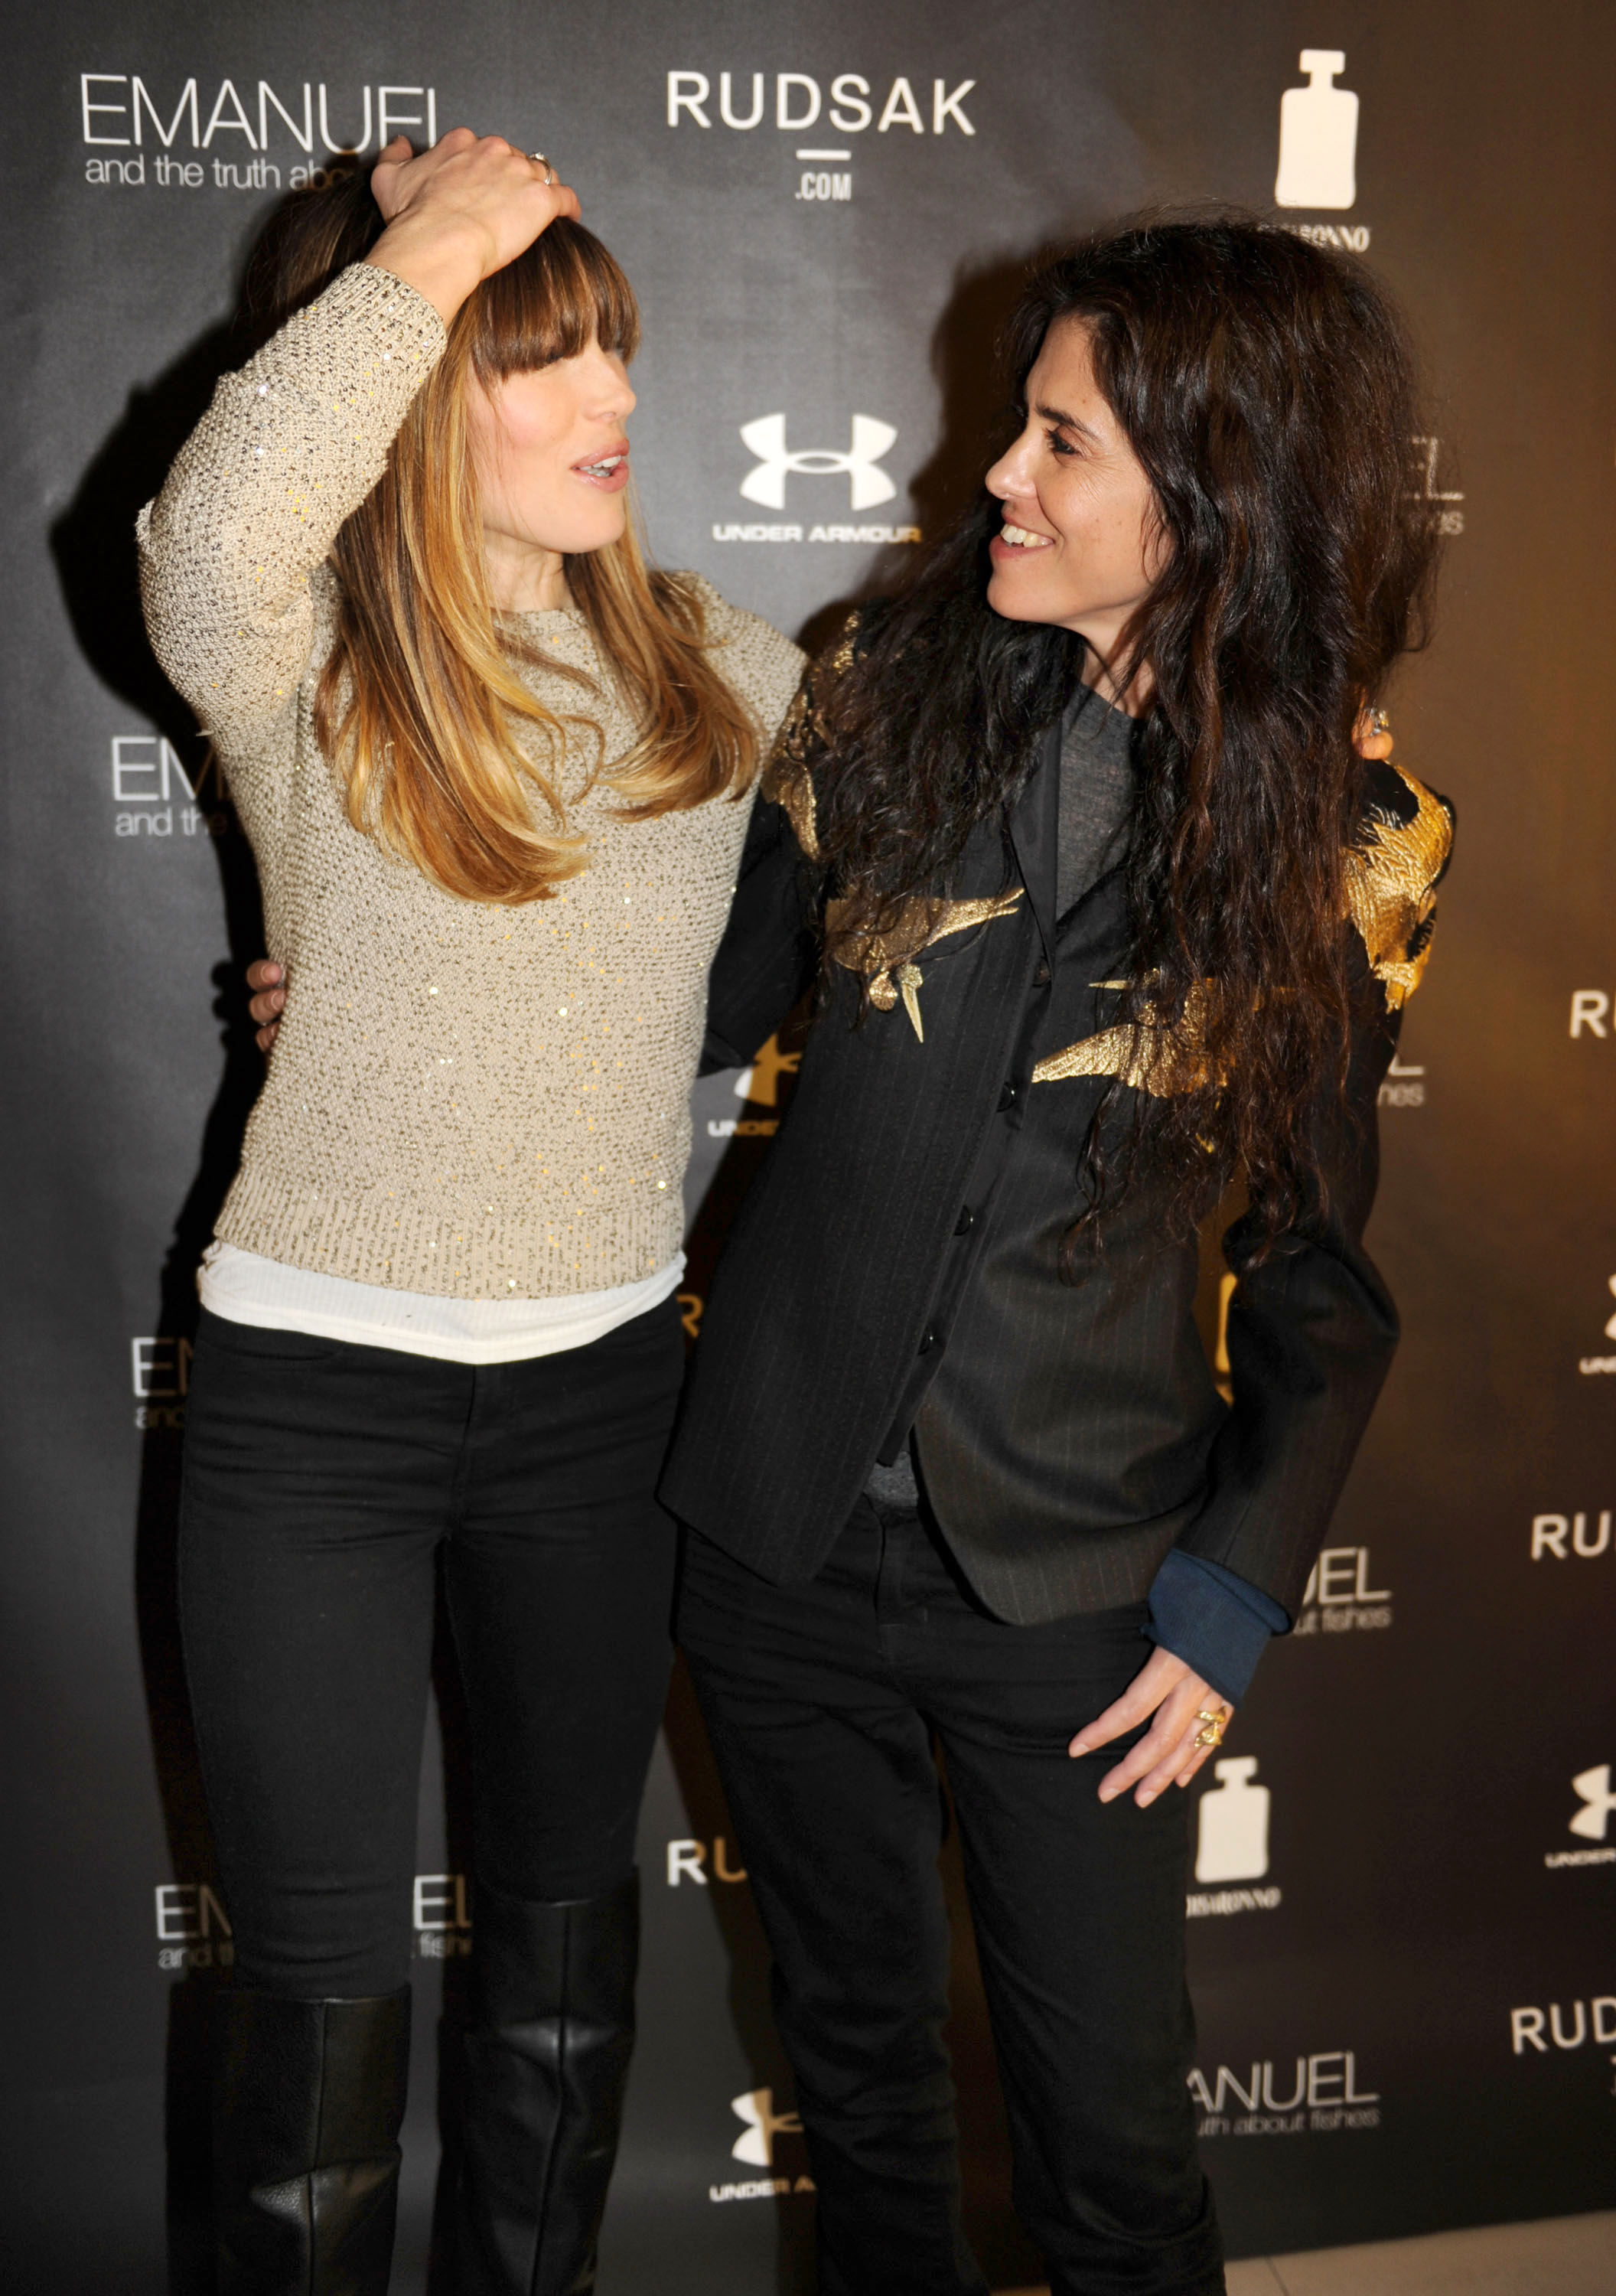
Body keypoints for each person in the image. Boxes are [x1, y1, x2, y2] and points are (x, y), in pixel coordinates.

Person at [656, 217, 1455, 2294]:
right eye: (1022, 424)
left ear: (1215, 492)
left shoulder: (1359, 843)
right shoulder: (879, 694)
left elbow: (1315, 1267)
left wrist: (1232, 1595)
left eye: (1061, 440)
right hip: (777, 1532)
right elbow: (691, 1013)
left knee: (1111, 2158)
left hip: (1082, 1593)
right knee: (858, 2086)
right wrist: (381, 1002)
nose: (999, 473)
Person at [140, 129, 802, 2294]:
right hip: (313, 1414)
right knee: (319, 2003)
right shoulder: (305, 661)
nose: (616, 393)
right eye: (543, 356)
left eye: (614, 342)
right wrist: (429, 247)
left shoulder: (723, 671)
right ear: (417, 387)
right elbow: (209, 527)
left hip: (602, 1412)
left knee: (560, 1970)